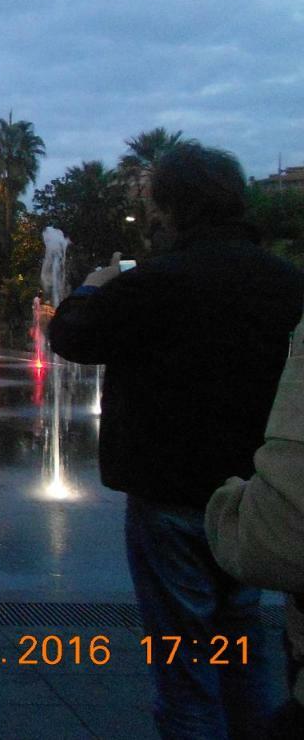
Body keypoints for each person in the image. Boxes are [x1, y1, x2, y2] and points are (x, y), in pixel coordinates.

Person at [48, 142, 304, 739]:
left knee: (186, 672)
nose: (151, 219)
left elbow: (72, 337)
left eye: (154, 206)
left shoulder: (156, 283)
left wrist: (91, 287)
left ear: (173, 209)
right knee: (244, 650)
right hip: (252, 496)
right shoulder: (287, 285)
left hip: (169, 498)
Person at [206, 315, 304, 739]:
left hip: (180, 497)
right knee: (239, 641)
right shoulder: (283, 284)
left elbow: (275, 535)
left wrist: (230, 502)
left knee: (184, 676)